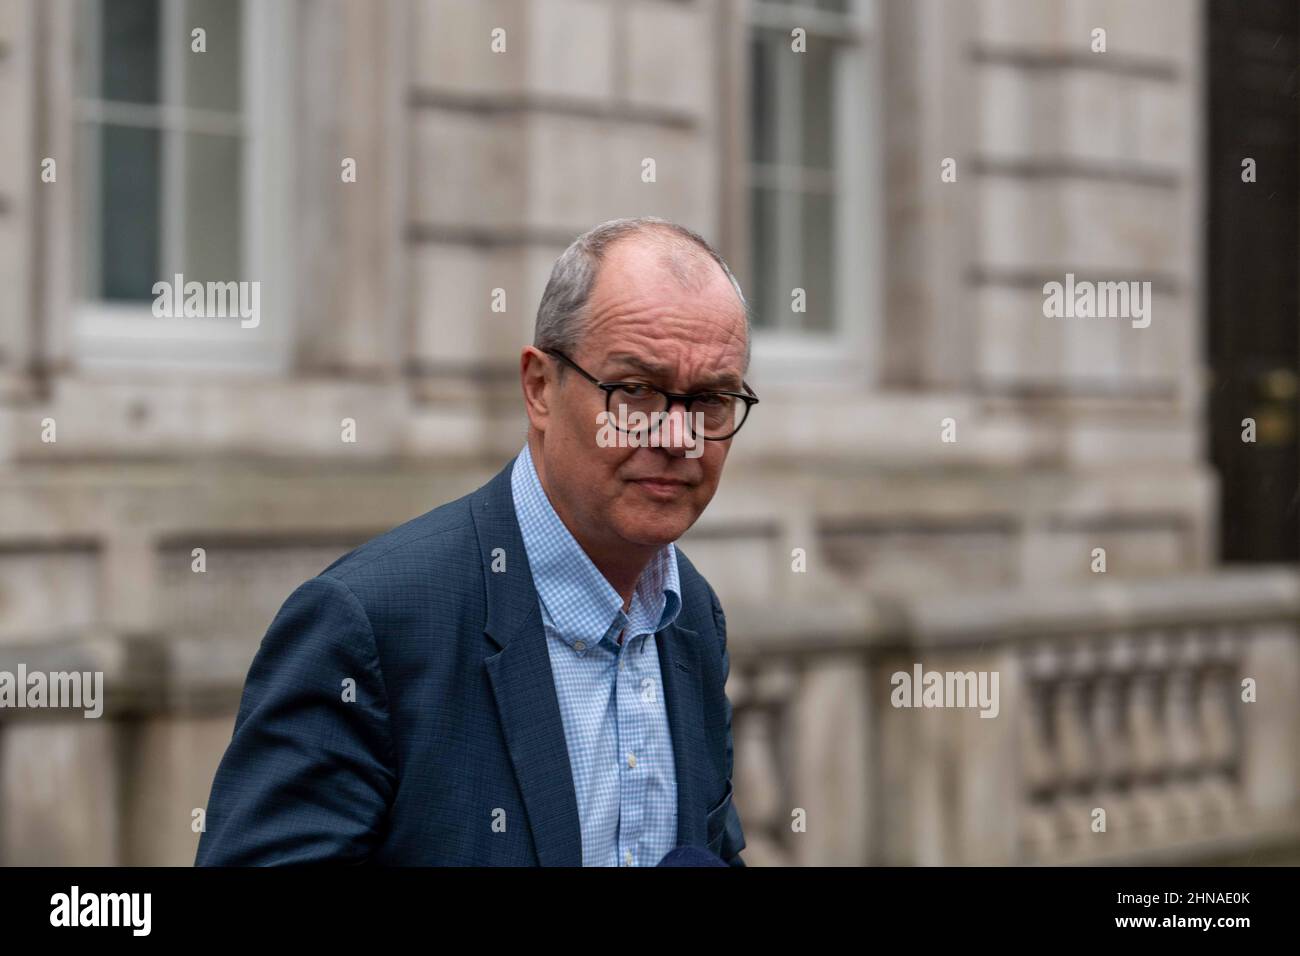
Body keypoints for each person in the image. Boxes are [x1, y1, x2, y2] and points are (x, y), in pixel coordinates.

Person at [196, 217, 756, 866]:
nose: (676, 436)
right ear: (539, 388)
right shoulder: (368, 626)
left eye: (711, 400)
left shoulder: (691, 613)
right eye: (634, 391)